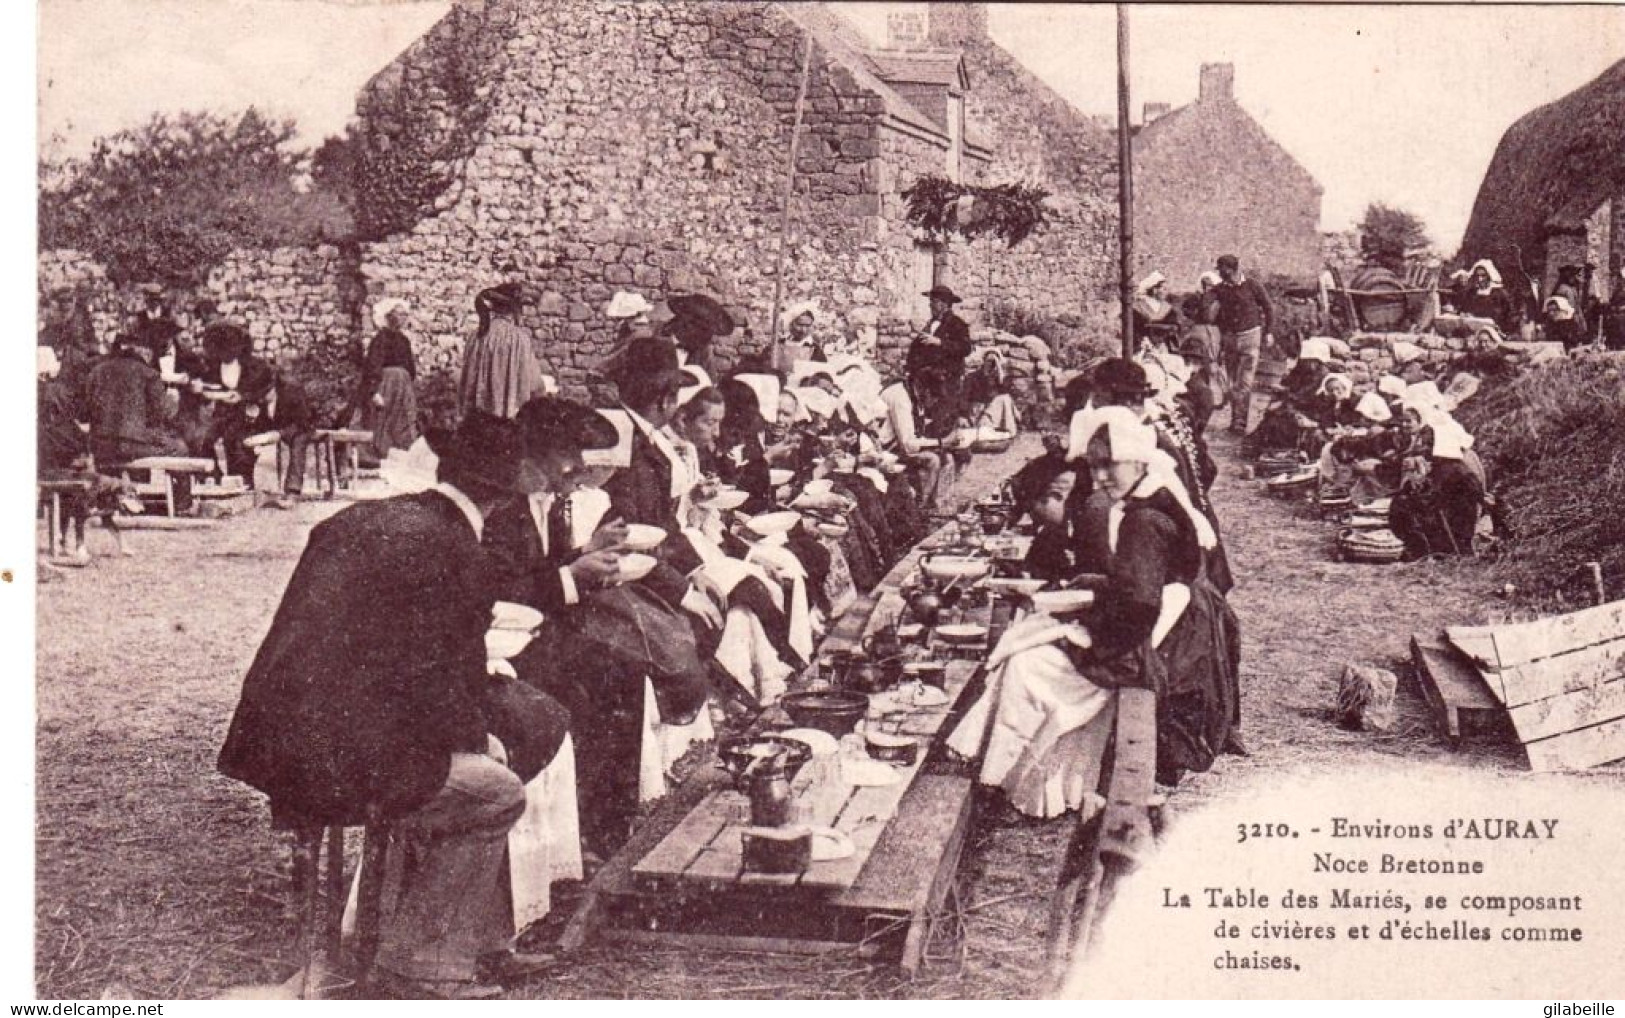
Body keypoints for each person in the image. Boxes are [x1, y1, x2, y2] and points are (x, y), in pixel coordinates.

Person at [218, 406, 623, 998]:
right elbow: (435, 687)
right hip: (336, 761)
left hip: (275, 743)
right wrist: (478, 737)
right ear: (510, 488)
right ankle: (421, 963)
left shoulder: (373, 517)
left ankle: (466, 939)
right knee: (497, 790)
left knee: (478, 759)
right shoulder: (456, 548)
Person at [947, 407, 1242, 815]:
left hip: (1157, 639)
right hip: (1166, 620)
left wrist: (1087, 632)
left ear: (1138, 458)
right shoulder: (1152, 495)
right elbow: (1143, 585)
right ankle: (1037, 781)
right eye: (1096, 467)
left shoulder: (1145, 520)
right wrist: (1093, 592)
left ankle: (1019, 781)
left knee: (1026, 664)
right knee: (1033, 640)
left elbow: (1140, 606)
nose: (1101, 478)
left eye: (1110, 466)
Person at [1387, 399, 1485, 559]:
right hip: (1451, 496)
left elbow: (1433, 495)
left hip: (1455, 505)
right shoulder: (1445, 460)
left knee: (1409, 504)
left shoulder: (1449, 464)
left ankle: (1432, 549)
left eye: (1429, 441)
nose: (1425, 443)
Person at [83, 333, 190, 471]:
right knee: (181, 449)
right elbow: (163, 415)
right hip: (132, 447)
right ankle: (181, 493)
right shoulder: (149, 374)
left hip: (100, 447)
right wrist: (173, 400)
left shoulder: (96, 372)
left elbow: (85, 414)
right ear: (145, 352)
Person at [193, 322, 276, 487]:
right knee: (202, 438)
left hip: (250, 415)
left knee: (236, 441)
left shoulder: (255, 367)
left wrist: (243, 397)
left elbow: (266, 391)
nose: (224, 356)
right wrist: (205, 392)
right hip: (223, 413)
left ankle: (242, 481)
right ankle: (213, 476)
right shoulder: (213, 367)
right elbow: (207, 389)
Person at [343, 298, 419, 454]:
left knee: (402, 422)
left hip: (402, 389)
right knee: (380, 420)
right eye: (399, 314)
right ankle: (375, 454)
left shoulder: (404, 341)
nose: (403, 318)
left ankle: (399, 452)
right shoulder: (380, 339)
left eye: (405, 315)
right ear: (390, 316)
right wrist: (374, 392)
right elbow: (372, 367)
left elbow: (411, 370)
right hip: (386, 386)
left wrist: (407, 386)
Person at [1210, 255, 1274, 435]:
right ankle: (1235, 418)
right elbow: (1204, 305)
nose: (1221, 274)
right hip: (1230, 339)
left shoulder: (1253, 285)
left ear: (1233, 269)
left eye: (1223, 270)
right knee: (1232, 380)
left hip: (1250, 336)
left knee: (1245, 381)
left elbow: (1268, 308)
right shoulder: (1220, 290)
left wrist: (1268, 332)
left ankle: (1240, 422)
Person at [462, 283, 544, 419]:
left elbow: (467, 382)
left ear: (494, 307)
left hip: (478, 421)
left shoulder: (477, 336)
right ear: (515, 310)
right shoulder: (519, 340)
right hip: (508, 425)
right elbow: (535, 385)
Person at [249, 369, 316, 508]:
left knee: (298, 443)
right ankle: (252, 486)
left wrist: (280, 434)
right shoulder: (260, 400)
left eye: (264, 394)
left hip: (300, 427)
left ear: (273, 389)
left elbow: (303, 422)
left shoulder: (292, 392)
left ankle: (293, 492)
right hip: (276, 427)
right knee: (249, 441)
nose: (261, 399)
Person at [905, 286, 974, 409]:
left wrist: (940, 343)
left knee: (941, 417)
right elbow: (915, 348)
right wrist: (909, 368)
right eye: (930, 301)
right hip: (926, 381)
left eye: (934, 301)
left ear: (944, 304)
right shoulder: (930, 324)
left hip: (946, 382)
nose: (930, 305)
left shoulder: (957, 324)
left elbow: (965, 348)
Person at [1449, 260, 1518, 333]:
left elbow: (1509, 316)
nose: (1480, 279)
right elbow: (1463, 309)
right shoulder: (1471, 293)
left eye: (1483, 275)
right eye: (1477, 276)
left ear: (1489, 276)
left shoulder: (1500, 294)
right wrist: (1463, 314)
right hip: (1473, 331)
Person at [963, 351, 1021, 434]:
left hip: (994, 412)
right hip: (978, 412)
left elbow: (1004, 394)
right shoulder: (973, 376)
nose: (991, 364)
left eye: (994, 362)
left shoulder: (999, 379)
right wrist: (963, 416)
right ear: (983, 361)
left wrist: (999, 371)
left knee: (1005, 398)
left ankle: (1008, 431)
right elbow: (965, 397)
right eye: (989, 361)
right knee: (1004, 399)